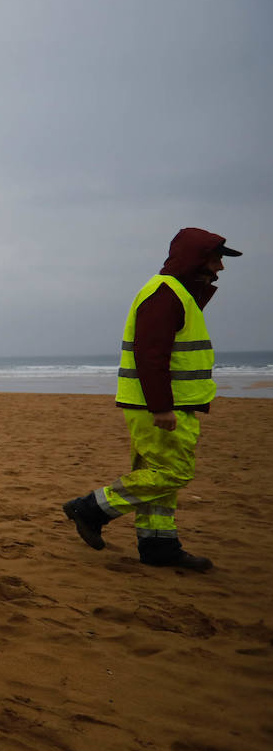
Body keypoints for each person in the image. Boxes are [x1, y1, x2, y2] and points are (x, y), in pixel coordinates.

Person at [62, 227, 240, 571]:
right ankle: (91, 508)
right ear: (196, 258)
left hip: (165, 403)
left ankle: (159, 544)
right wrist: (161, 406)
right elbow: (151, 353)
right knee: (174, 473)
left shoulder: (176, 293)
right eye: (216, 258)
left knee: (156, 475)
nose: (220, 267)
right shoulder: (165, 293)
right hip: (159, 406)